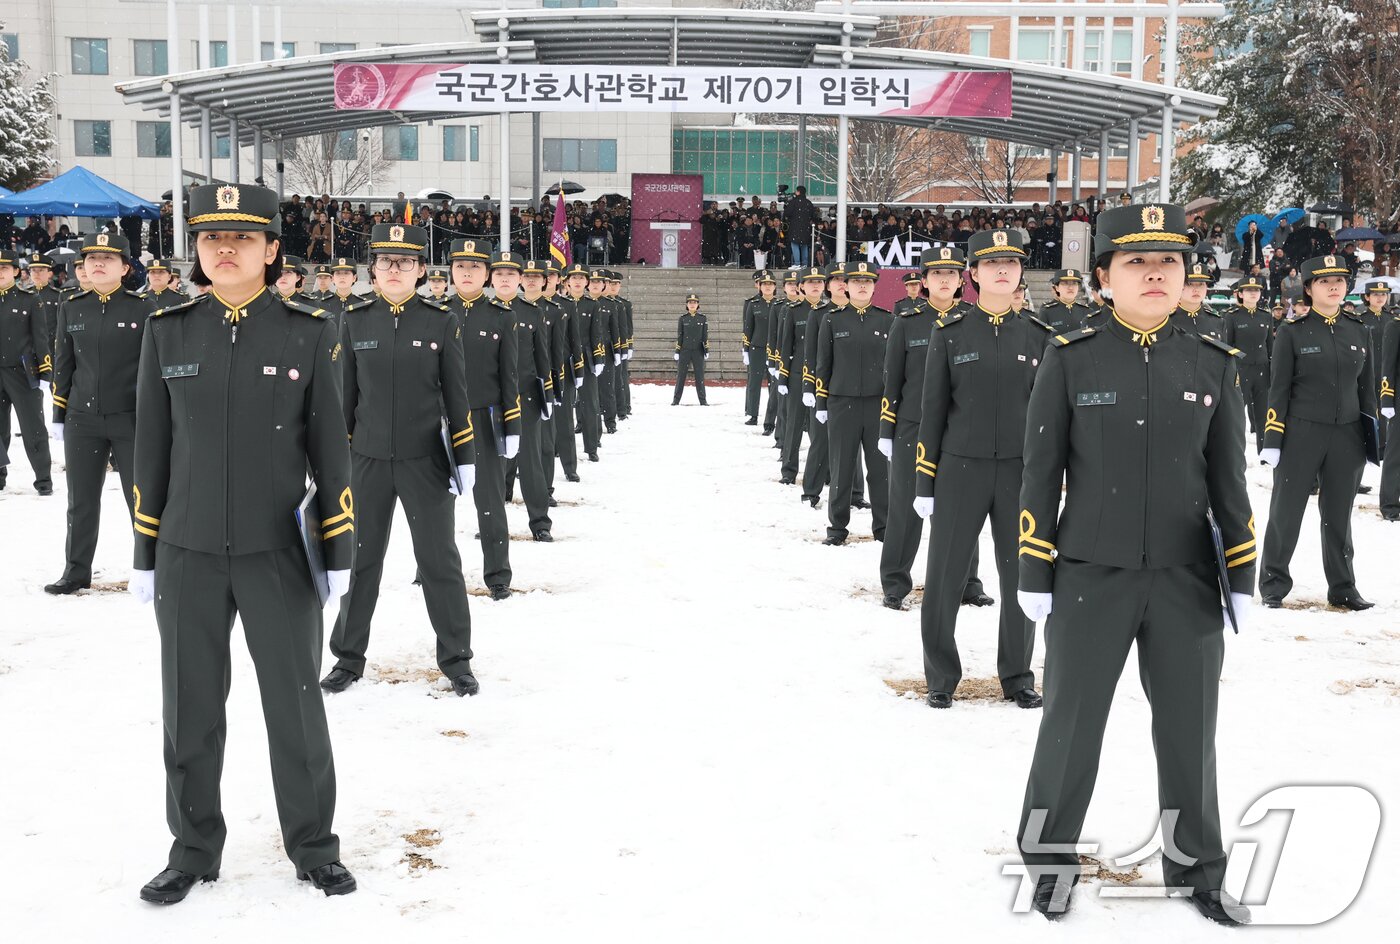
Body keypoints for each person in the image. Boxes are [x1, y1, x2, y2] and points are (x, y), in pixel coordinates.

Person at [1015, 203, 1255, 925]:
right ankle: (1050, 862)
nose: (1155, 274)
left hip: (1186, 580)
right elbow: (1039, 470)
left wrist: (1240, 574)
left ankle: (1198, 870)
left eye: (1169, 264)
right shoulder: (1071, 355)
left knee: (1191, 730)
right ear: (1103, 277)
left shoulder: (1211, 360)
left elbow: (1230, 479)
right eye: (1137, 263)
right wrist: (1033, 567)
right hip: (1090, 573)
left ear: (1187, 277)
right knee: (1070, 727)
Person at [130, 182, 357, 903]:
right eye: (210, 239)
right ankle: (193, 848)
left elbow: (331, 447)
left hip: (278, 552)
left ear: (271, 250)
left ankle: (314, 846)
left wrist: (339, 548)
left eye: (243, 239)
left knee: (294, 706)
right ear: (195, 250)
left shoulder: (309, 329)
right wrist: (145, 551)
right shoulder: (168, 329)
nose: (224, 250)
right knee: (189, 708)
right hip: (188, 552)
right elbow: (151, 452)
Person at [320, 222, 479, 697]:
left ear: (420, 271)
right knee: (359, 560)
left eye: (405, 262)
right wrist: (335, 461)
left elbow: (457, 395)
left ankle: (457, 659)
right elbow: (343, 396)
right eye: (386, 262)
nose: (395, 269)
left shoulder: (439, 320)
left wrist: (464, 457)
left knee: (439, 561)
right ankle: (348, 658)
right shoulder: (355, 319)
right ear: (373, 271)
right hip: (366, 460)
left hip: (425, 460)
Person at [912, 229, 1047, 710]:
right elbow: (932, 411)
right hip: (959, 470)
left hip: (1019, 474)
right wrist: (925, 480)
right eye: (992, 264)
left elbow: (1049, 418)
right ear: (973, 274)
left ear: (1020, 273)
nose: (1003, 270)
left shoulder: (1038, 336)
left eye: (1011, 262)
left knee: (1020, 578)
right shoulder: (949, 332)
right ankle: (941, 676)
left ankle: (1018, 675)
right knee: (945, 575)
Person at [1258, 254, 1376, 610]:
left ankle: (1343, 587)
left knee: (1338, 514)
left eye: (1339, 280)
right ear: (1309, 289)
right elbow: (1277, 389)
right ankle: (1273, 585)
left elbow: (1366, 389)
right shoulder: (1292, 333)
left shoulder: (1358, 329)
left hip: (1347, 435)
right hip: (1301, 432)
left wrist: (1373, 439)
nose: (1334, 286)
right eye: (1325, 282)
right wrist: (1273, 440)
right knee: (1286, 511)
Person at [46, 233, 149, 594]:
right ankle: (75, 571)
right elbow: (64, 363)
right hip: (82, 418)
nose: (98, 263)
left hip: (131, 417)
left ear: (125, 267)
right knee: (81, 500)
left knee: (141, 498)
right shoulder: (72, 306)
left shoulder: (144, 308)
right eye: (91, 258)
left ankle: (150, 568)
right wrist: (59, 413)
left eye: (108, 257)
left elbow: (154, 369)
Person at [878, 246, 965, 608]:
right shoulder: (907, 322)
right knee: (904, 507)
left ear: (962, 280)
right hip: (912, 428)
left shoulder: (971, 321)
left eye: (951, 274)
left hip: (958, 429)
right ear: (925, 282)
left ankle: (967, 582)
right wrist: (887, 429)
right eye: (936, 274)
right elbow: (893, 380)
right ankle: (896, 581)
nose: (944, 280)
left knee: (962, 509)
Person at [447, 238, 521, 600]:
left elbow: (509, 377)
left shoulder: (500, 317)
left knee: (489, 502)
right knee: (435, 504)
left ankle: (498, 575)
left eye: (475, 267)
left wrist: (512, 426)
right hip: (441, 421)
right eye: (460, 266)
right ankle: (430, 568)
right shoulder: (435, 312)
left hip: (484, 419)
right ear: (450, 272)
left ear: (486, 274)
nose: (467, 273)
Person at [812, 260, 890, 544]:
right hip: (841, 402)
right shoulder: (832, 319)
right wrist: (821, 402)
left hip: (876, 404)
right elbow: (824, 364)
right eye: (856, 281)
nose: (861, 286)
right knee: (842, 468)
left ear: (873, 286)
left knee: (880, 471)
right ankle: (837, 528)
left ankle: (883, 528)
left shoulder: (887, 320)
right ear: (847, 285)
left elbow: (893, 368)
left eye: (867, 282)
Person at [499, 254, 555, 541]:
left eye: (511, 274)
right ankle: (493, 520)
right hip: (491, 401)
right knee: (495, 465)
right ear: (491, 279)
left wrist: (547, 396)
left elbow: (542, 359)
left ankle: (540, 522)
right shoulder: (481, 312)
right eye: (500, 274)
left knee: (531, 462)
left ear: (520, 279)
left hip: (525, 398)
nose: (505, 279)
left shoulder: (533, 313)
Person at [0, 250, 53, 495]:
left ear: (15, 272)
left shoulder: (30, 299)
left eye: (4, 269)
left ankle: (43, 479)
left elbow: (40, 337)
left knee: (33, 428)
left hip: (22, 372)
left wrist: (45, 370)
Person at [776, 267, 824, 500]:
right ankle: (788, 470)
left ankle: (821, 472)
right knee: (794, 424)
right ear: (801, 286)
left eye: (819, 281)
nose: (815, 285)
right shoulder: (792, 311)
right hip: (797, 375)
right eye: (810, 282)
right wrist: (782, 375)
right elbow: (786, 346)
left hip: (822, 378)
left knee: (820, 430)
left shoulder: (830, 311)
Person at [1223, 273, 1274, 453]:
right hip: (1240, 371)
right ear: (1241, 294)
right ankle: (1233, 451)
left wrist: (1271, 370)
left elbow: (1270, 347)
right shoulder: (1232, 316)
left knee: (1263, 414)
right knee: (1236, 413)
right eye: (1249, 290)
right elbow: (1227, 346)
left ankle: (1265, 451)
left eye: (1256, 290)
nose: (1253, 293)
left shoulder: (1266, 316)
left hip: (1262, 370)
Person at [541, 260, 582, 484]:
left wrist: (578, 366)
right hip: (535, 370)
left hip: (561, 371)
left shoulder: (566, 305)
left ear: (559, 279)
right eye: (544, 274)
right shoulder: (529, 303)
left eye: (553, 275)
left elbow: (574, 339)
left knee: (565, 420)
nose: (548, 278)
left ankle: (569, 466)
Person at [558, 262, 601, 462]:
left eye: (581, 278)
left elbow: (596, 335)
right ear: (566, 282)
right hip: (565, 360)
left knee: (589, 404)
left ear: (586, 282)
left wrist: (599, 359)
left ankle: (591, 447)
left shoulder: (592, 305)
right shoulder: (559, 305)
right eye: (573, 278)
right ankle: (560, 445)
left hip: (586, 359)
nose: (577, 282)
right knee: (564, 405)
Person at [742, 270, 777, 426]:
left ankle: (774, 417)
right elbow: (748, 328)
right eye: (765, 284)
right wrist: (746, 348)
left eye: (770, 284)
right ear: (760, 287)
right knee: (754, 383)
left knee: (774, 385)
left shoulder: (781, 305)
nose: (767, 287)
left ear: (775, 287)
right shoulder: (753, 304)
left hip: (776, 351)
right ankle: (753, 414)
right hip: (757, 349)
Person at [1379, 288, 1400, 519]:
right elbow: (1388, 366)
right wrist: (1387, 398)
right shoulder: (1395, 326)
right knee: (1395, 454)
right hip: (1399, 400)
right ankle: (1390, 505)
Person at [1170, 264, 1227, 340]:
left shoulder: (1218, 322)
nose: (1196, 289)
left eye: (1201, 284)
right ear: (1179, 286)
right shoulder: (1167, 322)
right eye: (1190, 284)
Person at [673, 293, 709, 405]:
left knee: (700, 377)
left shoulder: (702, 319)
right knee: (681, 376)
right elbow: (680, 335)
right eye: (690, 303)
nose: (692, 305)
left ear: (698, 304)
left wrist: (706, 350)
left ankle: (703, 401)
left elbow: (705, 336)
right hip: (685, 350)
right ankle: (676, 400)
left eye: (694, 302)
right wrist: (677, 351)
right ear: (686, 305)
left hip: (698, 351)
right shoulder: (683, 319)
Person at [607, 272, 634, 421]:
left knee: (621, 377)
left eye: (616, 284)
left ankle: (624, 406)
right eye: (610, 283)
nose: (613, 286)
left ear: (620, 286)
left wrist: (628, 346)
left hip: (620, 344)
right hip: (606, 343)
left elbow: (628, 327)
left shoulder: (624, 304)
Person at [1037, 269, 1092, 334]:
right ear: (1057, 288)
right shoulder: (1047, 312)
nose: (1070, 287)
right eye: (1065, 283)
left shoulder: (1087, 312)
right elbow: (1040, 339)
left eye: (1074, 283)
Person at [782, 185, 817, 267]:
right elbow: (813, 215)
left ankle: (797, 263)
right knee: (804, 245)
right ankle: (805, 263)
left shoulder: (793, 202)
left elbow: (787, 213)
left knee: (794, 244)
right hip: (806, 228)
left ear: (798, 192)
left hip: (795, 227)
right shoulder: (808, 203)